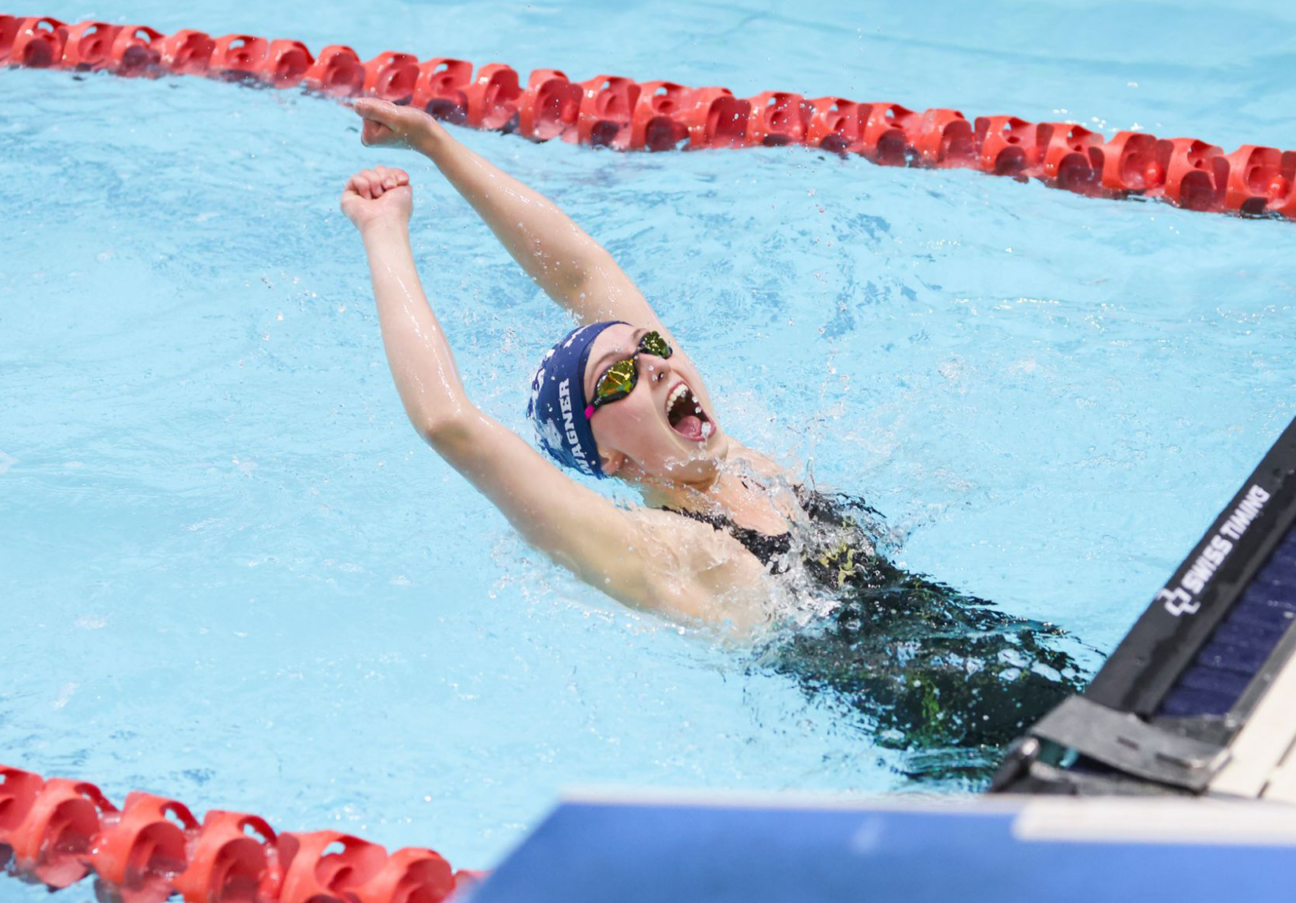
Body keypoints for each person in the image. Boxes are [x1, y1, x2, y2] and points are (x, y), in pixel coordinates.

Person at [340, 98, 1091, 780]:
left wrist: (438, 145)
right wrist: (385, 234)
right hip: (971, 741)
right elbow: (451, 424)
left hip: (1020, 655)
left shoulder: (733, 459)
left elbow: (583, 274)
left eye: (652, 351)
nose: (656, 367)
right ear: (610, 457)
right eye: (616, 380)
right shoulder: (666, 549)